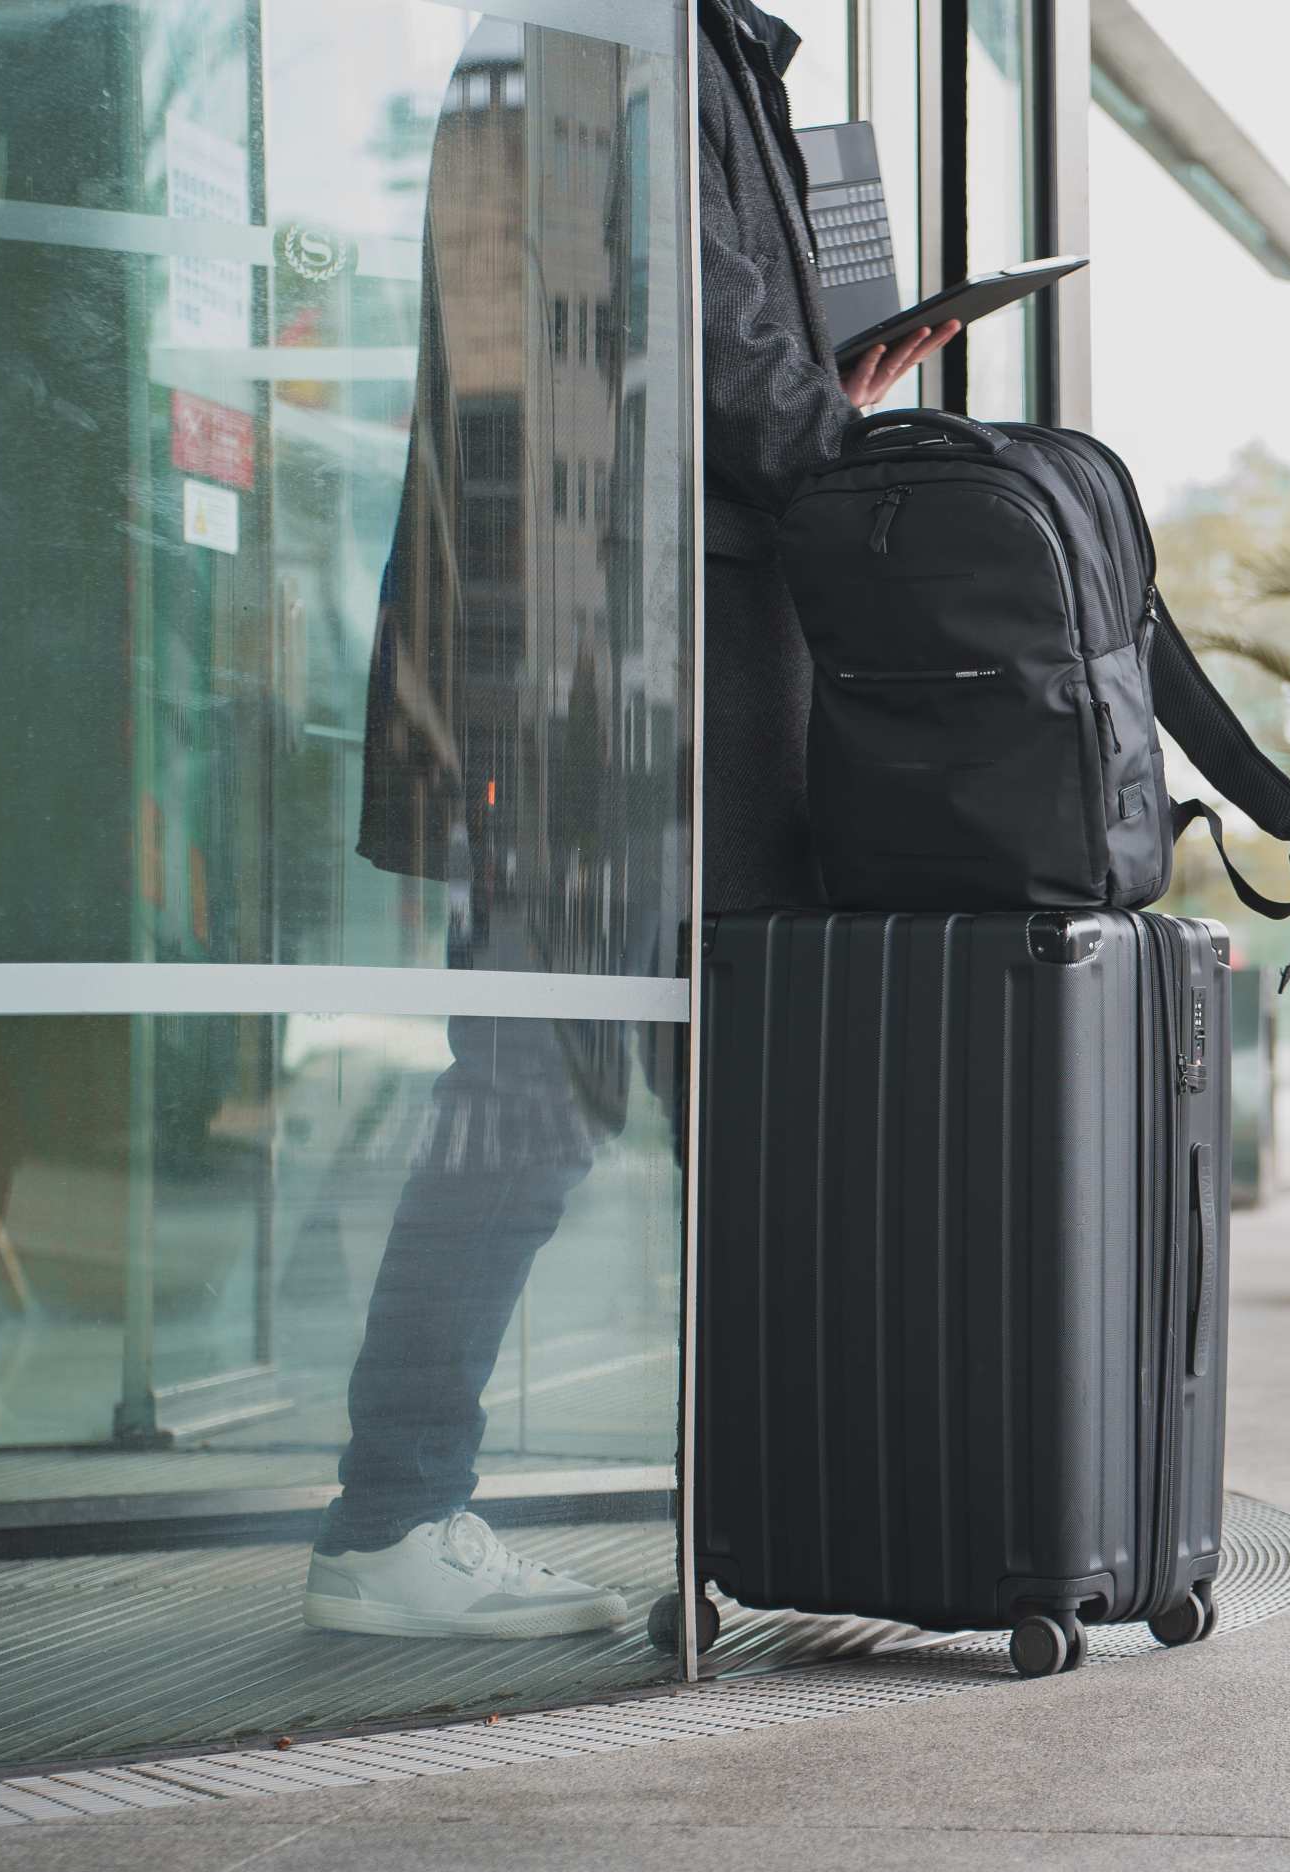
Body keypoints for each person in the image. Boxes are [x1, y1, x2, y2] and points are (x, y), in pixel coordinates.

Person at [307, 0, 956, 1640]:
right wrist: (851, 446)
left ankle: (767, 1519)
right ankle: (393, 1519)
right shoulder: (618, 16)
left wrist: (834, 393)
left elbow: (696, 312)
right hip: (608, 680)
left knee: (703, 1112)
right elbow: (674, 303)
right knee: (533, 1098)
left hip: (661, 674)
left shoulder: (698, 37)